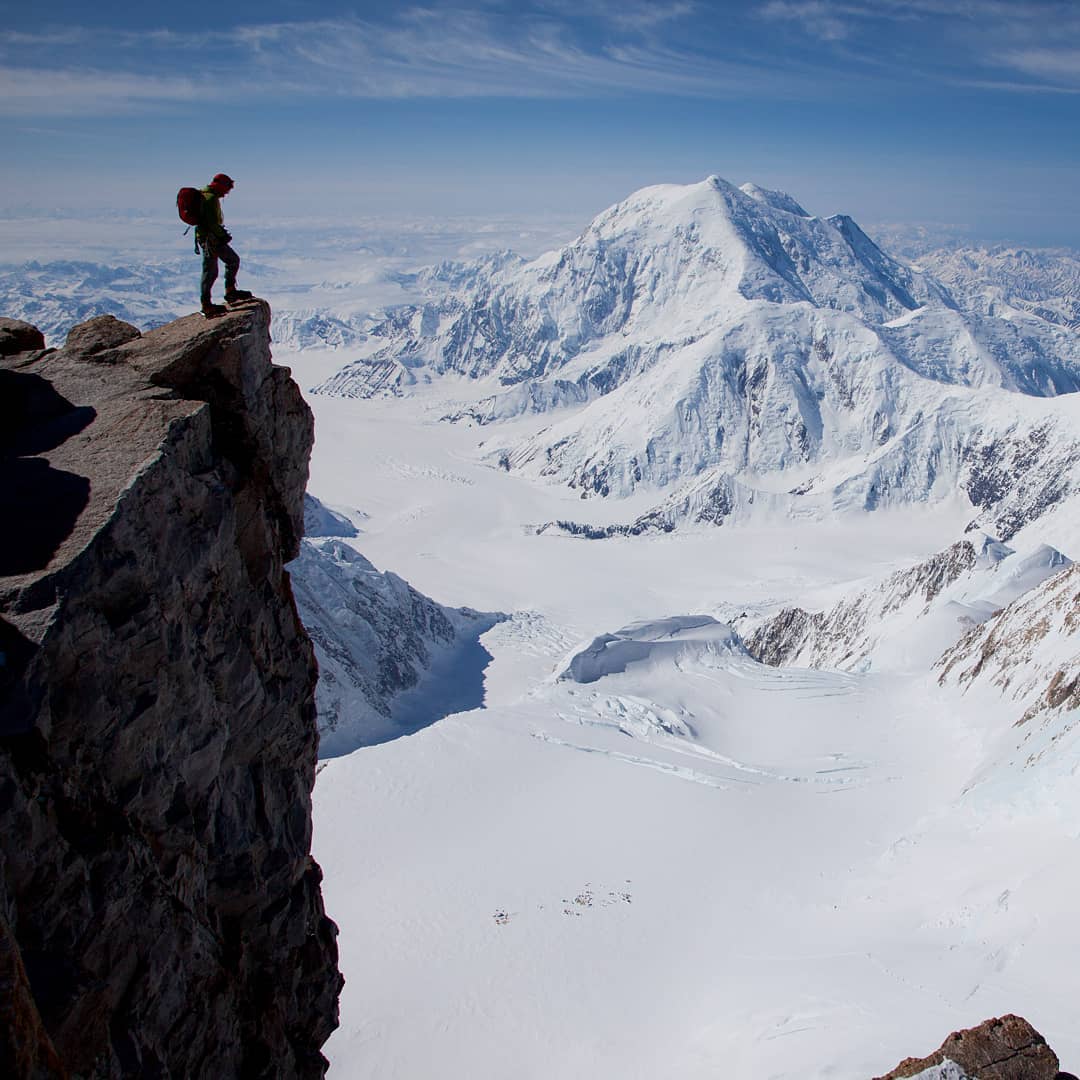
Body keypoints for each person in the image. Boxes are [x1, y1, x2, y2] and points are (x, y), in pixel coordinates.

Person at [196, 173, 253, 317]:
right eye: (227, 188)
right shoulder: (209, 199)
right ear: (220, 185)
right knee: (213, 270)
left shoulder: (208, 196)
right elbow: (211, 223)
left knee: (226, 263)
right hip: (211, 239)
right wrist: (222, 235)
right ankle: (209, 303)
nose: (227, 192)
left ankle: (228, 293)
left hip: (210, 238)